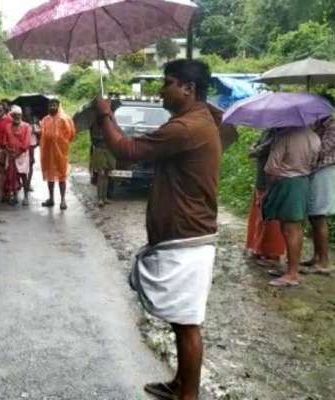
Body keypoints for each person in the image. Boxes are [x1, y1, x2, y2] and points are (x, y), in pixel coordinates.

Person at [96, 59, 221, 400]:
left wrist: (106, 113)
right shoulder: (191, 121)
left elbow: (127, 150)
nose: (160, 90)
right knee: (181, 320)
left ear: (188, 89)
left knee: (187, 322)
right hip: (184, 236)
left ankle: (188, 395)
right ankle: (181, 383)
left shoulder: (186, 128)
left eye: (167, 83)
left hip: (187, 238)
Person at [262, 126, 321, 286]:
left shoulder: (285, 136)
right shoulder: (314, 137)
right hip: (303, 181)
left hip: (287, 183)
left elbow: (271, 168)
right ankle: (291, 268)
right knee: (295, 227)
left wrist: (269, 189)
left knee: (290, 229)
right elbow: (315, 162)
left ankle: (292, 273)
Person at [245, 129, 286, 264]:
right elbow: (256, 145)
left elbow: (257, 150)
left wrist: (253, 149)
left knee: (266, 216)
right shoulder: (269, 131)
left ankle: (267, 251)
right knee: (261, 214)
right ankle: (261, 248)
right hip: (265, 178)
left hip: (269, 179)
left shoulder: (278, 133)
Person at [301, 115, 335, 276]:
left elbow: (321, 151)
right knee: (313, 216)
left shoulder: (332, 128)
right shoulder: (317, 126)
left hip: (325, 171)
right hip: (315, 172)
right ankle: (316, 257)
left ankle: (324, 262)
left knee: (319, 216)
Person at [40, 98, 75, 210]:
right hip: (48, 152)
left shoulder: (65, 119)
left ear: (58, 106)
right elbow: (42, 133)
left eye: (54, 105)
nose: (52, 107)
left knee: (61, 175)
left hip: (61, 152)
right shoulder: (45, 120)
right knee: (50, 175)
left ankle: (63, 200)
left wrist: (61, 141)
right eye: (51, 105)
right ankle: (51, 199)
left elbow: (72, 134)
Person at [3, 105, 32, 206]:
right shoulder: (7, 127)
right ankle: (14, 196)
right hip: (11, 155)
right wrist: (8, 149)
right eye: (15, 115)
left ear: (21, 116)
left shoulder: (27, 126)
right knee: (12, 176)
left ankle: (26, 197)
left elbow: (26, 143)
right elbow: (5, 141)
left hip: (22, 155)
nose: (17, 117)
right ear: (12, 116)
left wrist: (17, 154)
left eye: (19, 115)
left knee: (24, 176)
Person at [89, 120, 116, 207]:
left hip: (109, 151)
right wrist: (104, 136)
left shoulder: (110, 122)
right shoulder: (95, 124)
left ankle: (104, 198)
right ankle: (100, 198)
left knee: (107, 175)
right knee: (101, 174)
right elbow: (94, 139)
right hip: (99, 151)